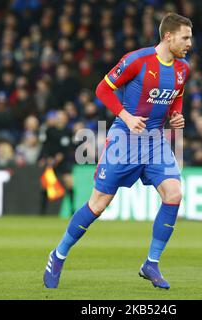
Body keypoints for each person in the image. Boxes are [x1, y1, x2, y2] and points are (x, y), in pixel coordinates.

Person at [43, 12, 192, 290]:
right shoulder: (137, 60)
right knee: (98, 205)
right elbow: (102, 89)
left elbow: (177, 97)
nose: (189, 44)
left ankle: (151, 263)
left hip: (156, 141)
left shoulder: (183, 68)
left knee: (174, 194)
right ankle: (58, 254)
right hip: (124, 139)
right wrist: (126, 116)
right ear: (168, 36)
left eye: (190, 38)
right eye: (185, 37)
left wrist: (177, 116)